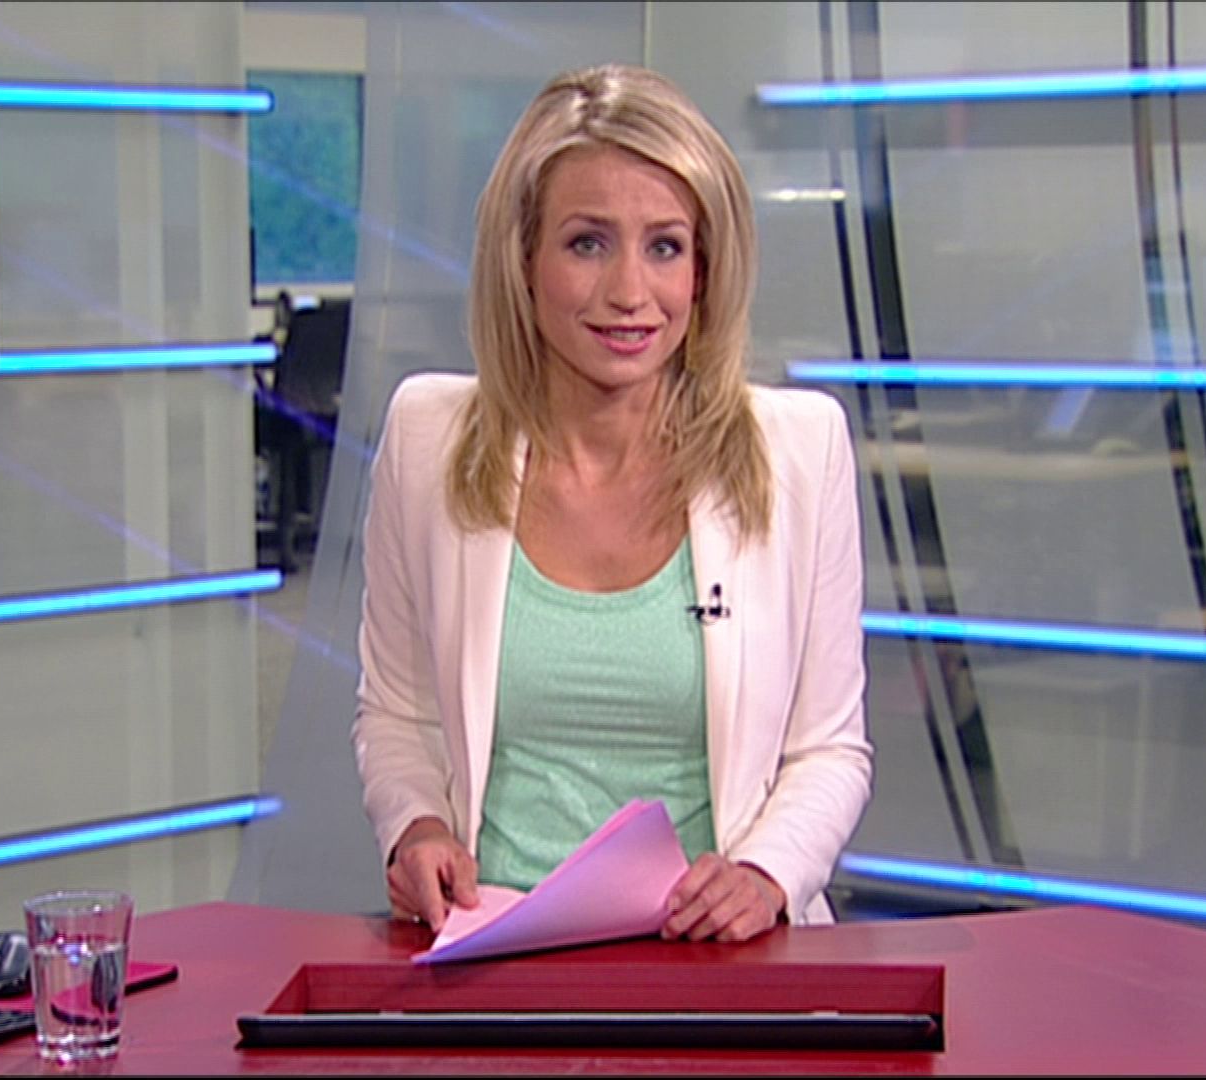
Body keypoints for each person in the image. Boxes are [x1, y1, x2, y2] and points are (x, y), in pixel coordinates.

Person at [352, 63, 872, 944]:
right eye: (588, 243)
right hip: (492, 942)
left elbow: (830, 749)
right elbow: (396, 713)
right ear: (523, 260)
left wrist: (764, 874)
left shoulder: (800, 450)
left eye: (665, 247)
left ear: (705, 269)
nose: (630, 292)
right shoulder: (426, 438)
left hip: (719, 956)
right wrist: (417, 826)